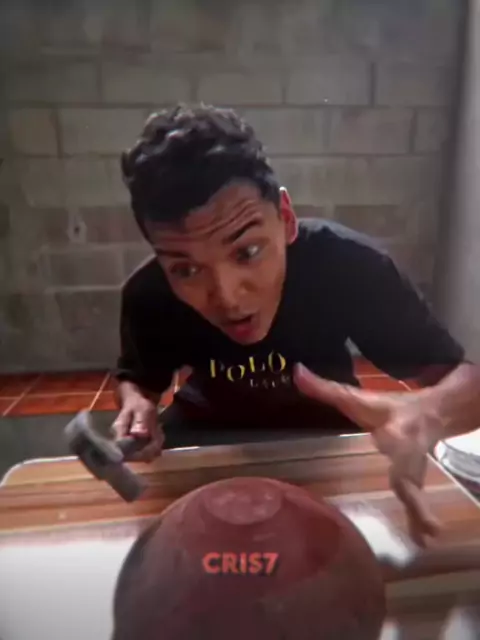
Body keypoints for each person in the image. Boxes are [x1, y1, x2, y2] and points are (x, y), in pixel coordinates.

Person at [113, 104, 480, 545]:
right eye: (186, 270)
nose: (227, 297)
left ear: (285, 218)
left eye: (247, 251)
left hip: (329, 437)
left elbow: (465, 382)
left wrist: (426, 415)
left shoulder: (348, 265)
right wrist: (137, 408)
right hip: (203, 440)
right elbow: (140, 381)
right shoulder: (149, 293)